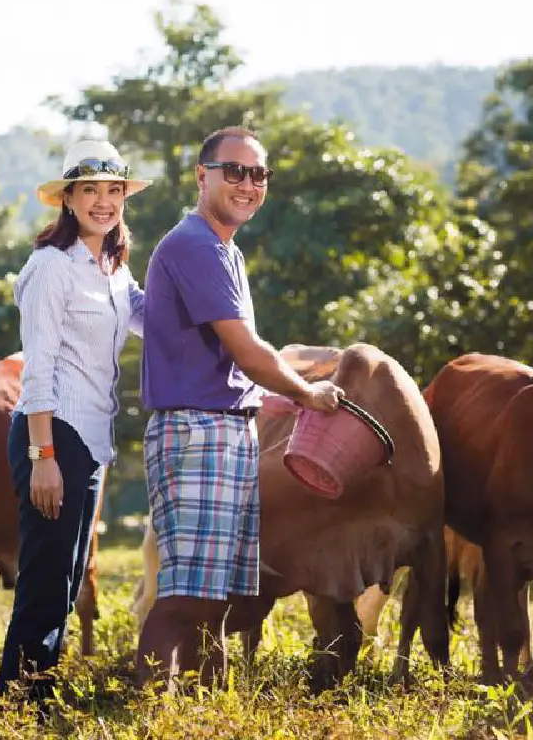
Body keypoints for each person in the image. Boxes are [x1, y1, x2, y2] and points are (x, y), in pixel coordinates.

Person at [135, 125, 344, 686]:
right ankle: (149, 713)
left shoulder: (224, 249)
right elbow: (249, 353)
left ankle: (209, 710)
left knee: (214, 603)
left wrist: (273, 389)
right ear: (202, 176)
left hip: (225, 430)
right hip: (197, 432)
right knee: (183, 598)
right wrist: (307, 394)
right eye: (234, 171)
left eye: (258, 174)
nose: (248, 184)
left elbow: (236, 358)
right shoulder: (193, 245)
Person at [0, 138, 152, 707]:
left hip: (90, 440)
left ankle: (41, 687)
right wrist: (43, 458)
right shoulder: (50, 268)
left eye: (115, 191)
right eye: (91, 191)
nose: (105, 202)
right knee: (44, 580)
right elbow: (36, 369)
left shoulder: (110, 268)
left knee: (65, 581)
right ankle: (20, 701)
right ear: (68, 199)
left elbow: (148, 317)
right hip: (52, 433)